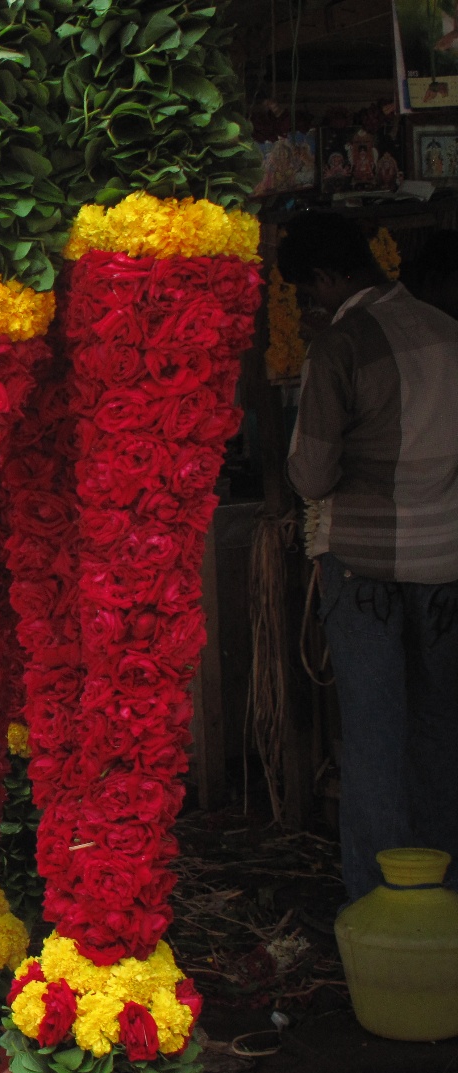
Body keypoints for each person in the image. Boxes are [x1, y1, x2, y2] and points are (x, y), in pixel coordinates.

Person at [282, 208, 458, 901]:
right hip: (446, 563)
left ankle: (383, 902)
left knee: (376, 741)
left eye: (307, 290)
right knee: (441, 730)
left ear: (329, 276)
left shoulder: (340, 346)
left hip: (364, 571)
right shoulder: (446, 330)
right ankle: (446, 894)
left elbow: (310, 476)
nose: (309, 304)